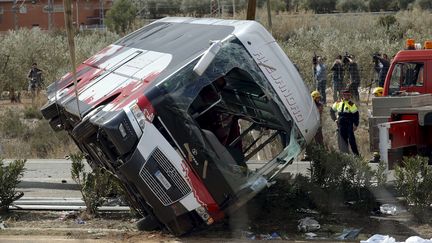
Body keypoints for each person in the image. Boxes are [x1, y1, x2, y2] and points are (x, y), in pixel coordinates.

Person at [330, 89, 360, 156]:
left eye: (348, 95)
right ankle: (345, 156)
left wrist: (355, 125)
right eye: (345, 95)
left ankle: (357, 156)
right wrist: (335, 119)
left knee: (351, 140)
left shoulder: (351, 104)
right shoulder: (337, 103)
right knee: (342, 141)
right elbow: (331, 111)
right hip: (341, 124)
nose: (347, 96)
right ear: (342, 95)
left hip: (349, 124)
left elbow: (356, 115)